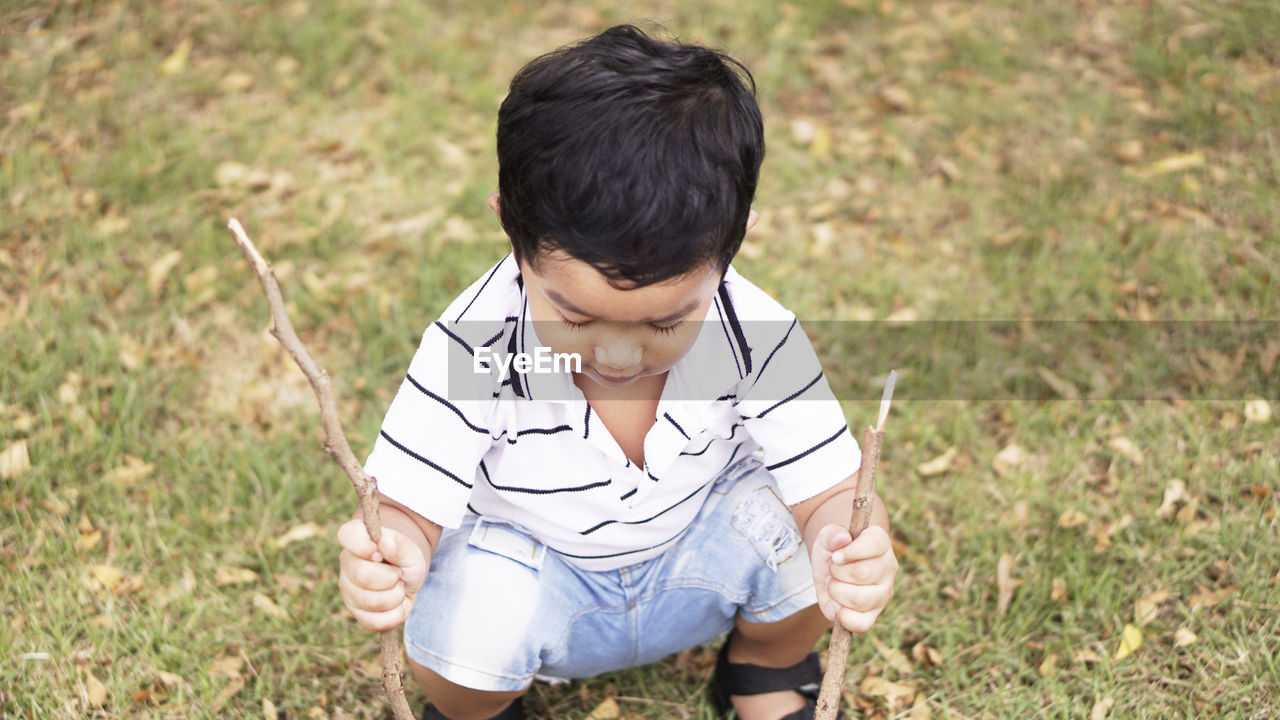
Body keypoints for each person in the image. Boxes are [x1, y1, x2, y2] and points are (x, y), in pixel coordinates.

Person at [337, 24, 897, 720]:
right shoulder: (478, 346)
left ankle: (765, 665)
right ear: (513, 231)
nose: (620, 356)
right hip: (540, 580)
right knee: (459, 637)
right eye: (574, 317)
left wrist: (850, 544)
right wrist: (389, 545)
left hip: (697, 561)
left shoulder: (752, 334)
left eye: (666, 323)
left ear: (731, 243)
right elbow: (405, 507)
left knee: (813, 552)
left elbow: (829, 492)